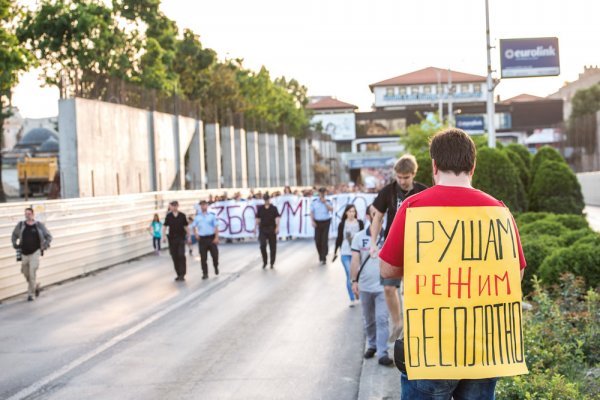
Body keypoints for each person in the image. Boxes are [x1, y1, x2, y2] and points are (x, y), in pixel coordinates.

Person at [379, 128, 527, 399]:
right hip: (483, 348)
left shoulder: (413, 207)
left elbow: (387, 269)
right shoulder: (499, 210)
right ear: (473, 166)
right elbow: (515, 274)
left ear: (434, 165)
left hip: (429, 347)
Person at [370, 154, 428, 342]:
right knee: (388, 288)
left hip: (417, 248)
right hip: (392, 245)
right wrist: (373, 243)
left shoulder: (422, 191)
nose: (402, 181)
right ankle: (397, 322)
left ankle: (413, 325)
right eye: (399, 177)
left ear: (413, 174)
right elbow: (377, 217)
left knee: (412, 289)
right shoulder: (388, 191)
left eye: (406, 177)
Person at [350, 205, 393, 367]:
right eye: (374, 214)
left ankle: (383, 353)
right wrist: (354, 281)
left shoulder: (388, 236)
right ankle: (372, 345)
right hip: (365, 286)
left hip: (384, 287)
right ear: (368, 216)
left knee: (382, 319)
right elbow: (355, 260)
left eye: (380, 214)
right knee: (369, 320)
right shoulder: (359, 237)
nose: (377, 217)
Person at [11, 207, 52, 301]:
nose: (27, 215)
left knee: (32, 272)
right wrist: (14, 243)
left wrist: (44, 246)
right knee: (25, 272)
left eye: (29, 214)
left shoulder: (38, 225)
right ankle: (35, 286)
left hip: (35, 252)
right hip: (24, 253)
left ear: (33, 214)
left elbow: (49, 237)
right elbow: (14, 235)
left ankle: (31, 294)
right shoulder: (21, 225)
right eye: (25, 214)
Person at [333, 204, 364, 306]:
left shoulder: (359, 223)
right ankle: (352, 298)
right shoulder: (342, 224)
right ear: (346, 212)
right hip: (345, 252)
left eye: (353, 211)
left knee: (357, 274)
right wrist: (335, 252)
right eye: (350, 211)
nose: (352, 213)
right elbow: (339, 238)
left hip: (357, 253)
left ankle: (358, 293)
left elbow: (363, 237)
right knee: (349, 274)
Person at [190, 200, 219, 279]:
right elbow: (193, 226)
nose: (203, 207)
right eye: (202, 205)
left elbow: (216, 227)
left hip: (211, 237)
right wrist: (196, 234)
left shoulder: (211, 216)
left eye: (205, 205)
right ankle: (205, 273)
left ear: (207, 206)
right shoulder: (197, 217)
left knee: (215, 255)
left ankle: (216, 266)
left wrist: (216, 237)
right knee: (203, 257)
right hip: (202, 238)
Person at [163, 201, 190, 281]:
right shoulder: (169, 216)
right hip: (172, 239)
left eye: (175, 206)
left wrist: (188, 236)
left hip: (181, 238)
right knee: (174, 256)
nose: (174, 207)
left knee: (181, 255)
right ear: (170, 207)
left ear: (178, 206)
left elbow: (186, 226)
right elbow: (164, 226)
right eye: (172, 206)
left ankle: (182, 273)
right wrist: (163, 236)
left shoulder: (182, 215)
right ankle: (178, 273)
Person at [255, 193, 280, 269]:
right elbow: (257, 218)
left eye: (267, 199)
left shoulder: (274, 208)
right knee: (262, 245)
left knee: (273, 246)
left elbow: (277, 218)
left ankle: (272, 262)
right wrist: (255, 227)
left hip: (272, 228)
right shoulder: (260, 208)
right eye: (265, 200)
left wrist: (277, 227)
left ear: (269, 199)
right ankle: (265, 261)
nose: (267, 201)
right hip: (263, 229)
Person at [310, 187, 333, 265]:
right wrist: (312, 221)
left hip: (326, 221)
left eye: (324, 193)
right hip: (317, 222)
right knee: (317, 240)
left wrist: (325, 203)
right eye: (321, 193)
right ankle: (321, 254)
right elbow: (312, 212)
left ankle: (323, 257)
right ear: (319, 193)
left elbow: (331, 209)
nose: (322, 194)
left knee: (324, 239)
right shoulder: (314, 202)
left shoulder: (328, 201)